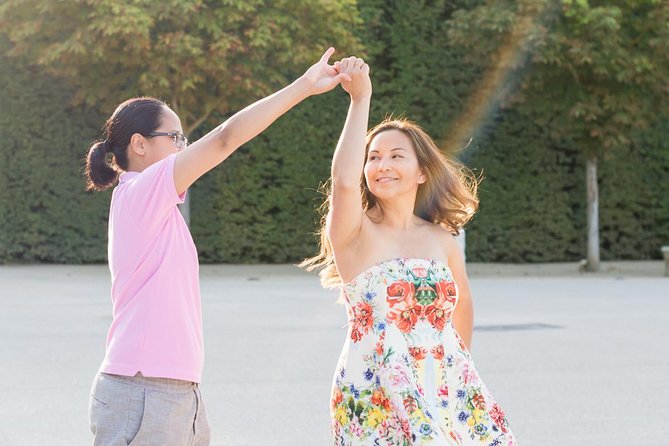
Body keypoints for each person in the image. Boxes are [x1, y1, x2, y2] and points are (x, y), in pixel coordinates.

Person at [84, 48, 350, 446]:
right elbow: (225, 138)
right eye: (174, 137)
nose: (182, 146)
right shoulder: (141, 191)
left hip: (171, 390)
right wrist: (303, 87)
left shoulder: (151, 205)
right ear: (139, 144)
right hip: (146, 391)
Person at [302, 57, 517, 445]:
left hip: (442, 386)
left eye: (396, 156)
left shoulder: (440, 238)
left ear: (421, 172)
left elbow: (463, 305)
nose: (381, 165)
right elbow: (344, 182)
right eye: (373, 157)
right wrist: (359, 100)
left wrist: (453, 373)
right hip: (374, 391)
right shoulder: (354, 231)